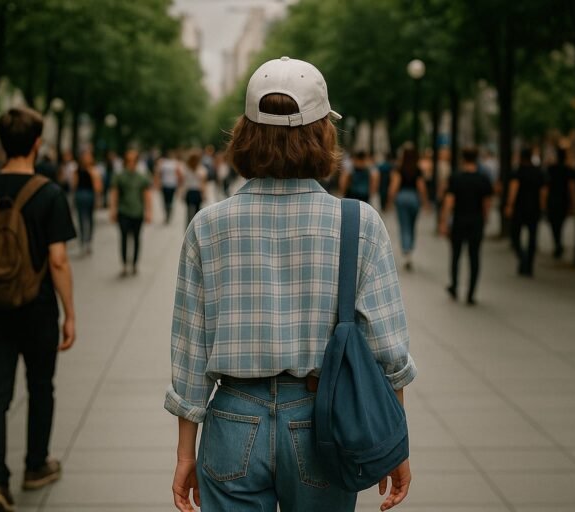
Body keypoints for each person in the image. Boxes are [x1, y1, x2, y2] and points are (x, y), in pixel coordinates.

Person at [165, 57, 414, 512]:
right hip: (324, 420)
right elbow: (388, 351)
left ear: (245, 133)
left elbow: (190, 353)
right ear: (323, 132)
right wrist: (394, 439)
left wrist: (186, 452)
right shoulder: (358, 224)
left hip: (232, 420)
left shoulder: (207, 226)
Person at [0, 108, 76, 512]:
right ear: (37, 144)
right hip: (37, 308)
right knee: (41, 387)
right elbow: (58, 259)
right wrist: (69, 313)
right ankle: (36, 465)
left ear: (0, 144)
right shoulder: (50, 194)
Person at [439, 148, 493, 304]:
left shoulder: (456, 178)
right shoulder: (483, 179)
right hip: (476, 221)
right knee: (474, 256)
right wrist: (485, 218)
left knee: (456, 255)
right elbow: (487, 203)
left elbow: (449, 202)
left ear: (463, 159)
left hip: (459, 220)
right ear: (476, 159)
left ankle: (454, 286)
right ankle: (471, 293)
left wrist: (443, 221)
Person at [110, 149, 152, 277]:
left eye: (134, 160)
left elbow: (146, 195)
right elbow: (114, 193)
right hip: (123, 211)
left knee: (136, 239)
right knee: (123, 238)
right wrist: (113, 209)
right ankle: (124, 264)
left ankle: (134, 264)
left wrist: (149, 211)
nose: (131, 163)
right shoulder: (119, 176)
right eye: (129, 160)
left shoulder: (141, 177)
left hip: (137, 212)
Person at [505, 148, 547, 277]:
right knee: (532, 237)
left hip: (519, 208)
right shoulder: (538, 172)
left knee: (515, 235)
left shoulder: (517, 172)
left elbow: (514, 188)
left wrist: (509, 205)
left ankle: (523, 258)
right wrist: (542, 206)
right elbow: (543, 191)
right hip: (534, 208)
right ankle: (528, 264)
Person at [387, 144, 428, 271]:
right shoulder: (418, 169)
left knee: (404, 226)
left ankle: (406, 254)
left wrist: (389, 201)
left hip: (402, 198)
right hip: (414, 198)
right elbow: (421, 187)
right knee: (412, 226)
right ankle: (410, 248)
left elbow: (394, 186)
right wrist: (425, 202)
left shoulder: (399, 169)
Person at [545, 147, 575, 259]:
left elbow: (546, 187)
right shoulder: (568, 170)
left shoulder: (551, 169)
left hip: (553, 199)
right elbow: (571, 187)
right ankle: (558, 243)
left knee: (554, 223)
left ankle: (557, 242)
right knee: (560, 223)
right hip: (564, 200)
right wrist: (573, 202)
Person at [71, 149, 103, 255]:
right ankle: (84, 242)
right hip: (83, 195)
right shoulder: (80, 170)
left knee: (87, 219)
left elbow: (97, 185)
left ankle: (86, 241)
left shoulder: (92, 170)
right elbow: (74, 184)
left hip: (87, 194)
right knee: (83, 219)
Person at [154, 150, 181, 224]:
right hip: (169, 184)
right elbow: (179, 174)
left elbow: (158, 173)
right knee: (168, 201)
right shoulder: (173, 163)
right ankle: (168, 213)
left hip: (168, 184)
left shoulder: (166, 163)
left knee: (167, 201)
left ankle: (168, 214)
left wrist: (157, 183)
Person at [182, 152, 207, 226]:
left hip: (189, 191)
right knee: (197, 212)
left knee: (189, 212)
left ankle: (188, 228)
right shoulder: (202, 169)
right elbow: (203, 183)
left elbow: (184, 182)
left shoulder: (186, 169)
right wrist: (204, 194)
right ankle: (196, 227)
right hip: (197, 192)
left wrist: (182, 193)